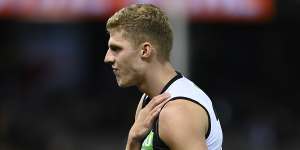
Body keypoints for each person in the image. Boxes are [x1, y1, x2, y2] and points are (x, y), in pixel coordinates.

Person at [104, 3, 223, 150]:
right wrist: (133, 140)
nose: (107, 58)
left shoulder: (176, 112)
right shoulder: (149, 101)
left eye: (116, 48)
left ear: (145, 50)